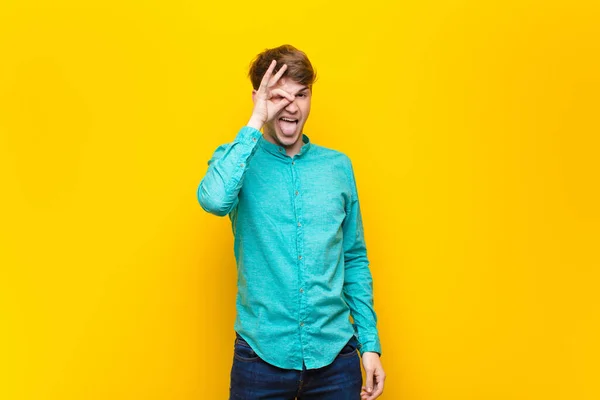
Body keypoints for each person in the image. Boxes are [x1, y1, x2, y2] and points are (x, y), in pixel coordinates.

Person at [197, 44, 385, 400]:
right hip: (260, 359)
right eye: (278, 97)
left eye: (301, 95)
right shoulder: (238, 160)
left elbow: (354, 259)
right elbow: (213, 200)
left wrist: (370, 345)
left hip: (336, 359)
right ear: (259, 98)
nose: (292, 107)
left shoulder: (338, 167)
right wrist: (255, 120)